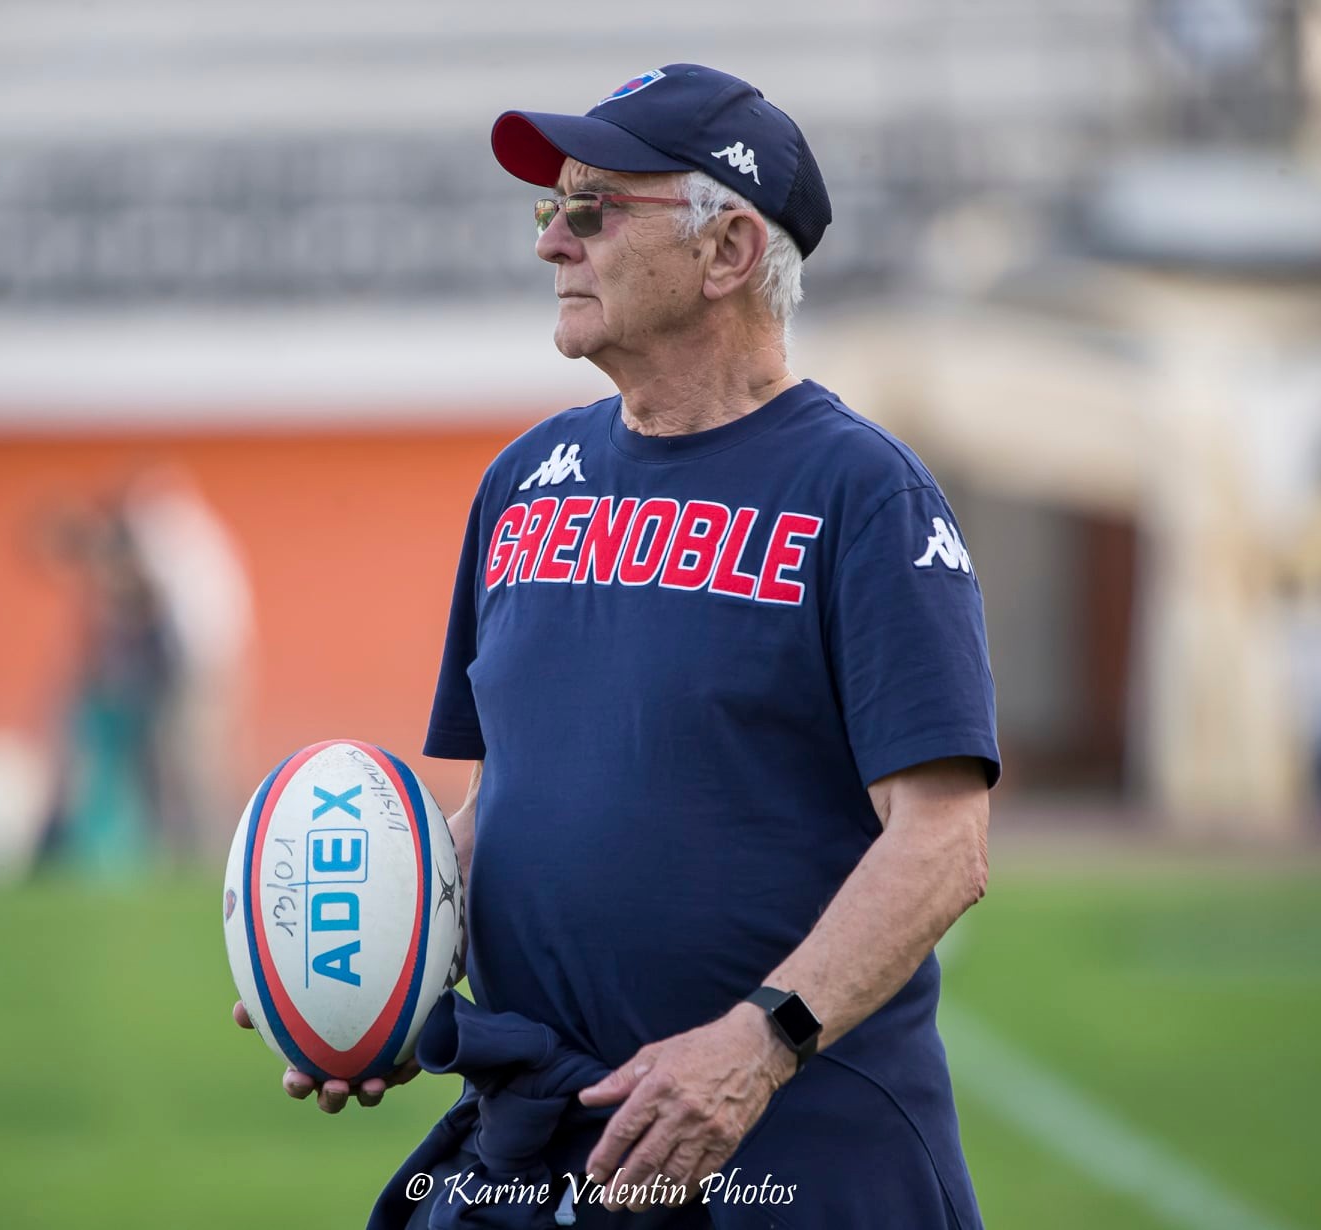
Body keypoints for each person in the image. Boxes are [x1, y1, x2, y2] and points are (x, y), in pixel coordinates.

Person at [235, 63, 999, 1228]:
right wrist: (379, 970)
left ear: (729, 250)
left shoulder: (862, 495)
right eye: (550, 209)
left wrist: (758, 1044)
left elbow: (944, 842)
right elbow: (508, 803)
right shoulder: (522, 482)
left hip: (793, 1155)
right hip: (545, 1149)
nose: (553, 243)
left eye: (591, 210)